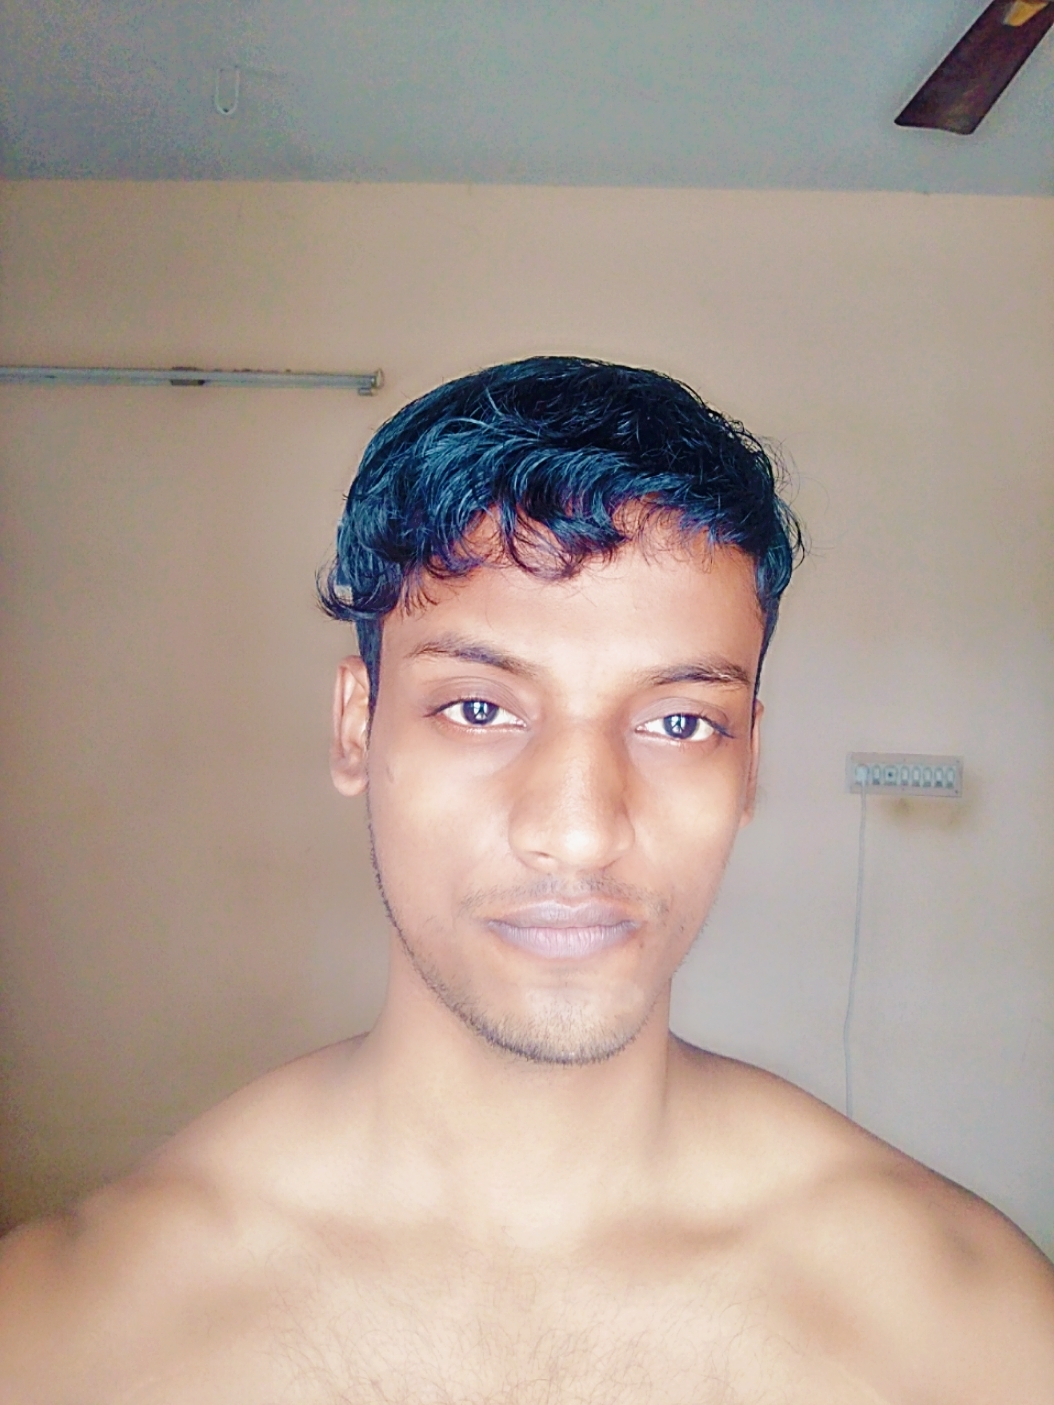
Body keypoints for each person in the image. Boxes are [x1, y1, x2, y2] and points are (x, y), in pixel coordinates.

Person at [0, 356, 1051, 1402]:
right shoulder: (63, 1334)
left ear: (748, 764)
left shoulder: (971, 1331)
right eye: (479, 708)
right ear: (357, 726)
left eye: (679, 722)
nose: (578, 832)